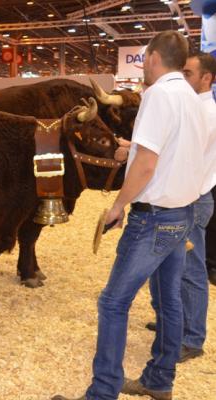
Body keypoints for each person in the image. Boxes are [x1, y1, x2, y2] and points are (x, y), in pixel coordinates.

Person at [52, 31, 207, 400]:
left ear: (152, 57)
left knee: (113, 302)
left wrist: (119, 205)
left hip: (153, 218)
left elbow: (148, 166)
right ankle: (159, 380)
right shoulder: (191, 96)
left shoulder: (156, 96)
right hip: (181, 212)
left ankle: (102, 392)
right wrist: (132, 148)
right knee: (169, 300)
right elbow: (169, 151)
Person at [143, 52, 216, 362]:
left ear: (206, 78)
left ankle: (192, 338)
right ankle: (172, 324)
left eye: (188, 73)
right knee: (170, 267)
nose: (182, 78)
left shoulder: (206, 111)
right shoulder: (193, 106)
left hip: (194, 199)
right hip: (185, 197)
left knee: (191, 270)